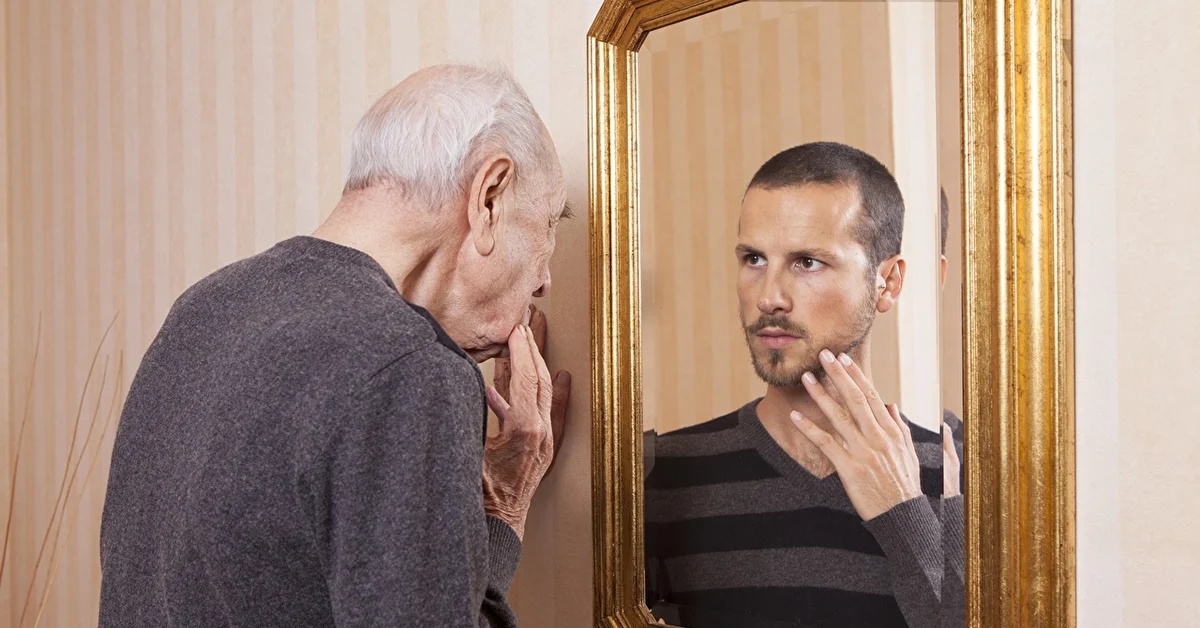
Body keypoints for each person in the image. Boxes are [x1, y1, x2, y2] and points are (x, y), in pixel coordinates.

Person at [98, 63, 573, 628]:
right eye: (549, 224)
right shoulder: (409, 367)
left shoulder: (202, 308)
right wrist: (504, 512)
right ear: (489, 197)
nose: (546, 280)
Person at [644, 142, 964, 628]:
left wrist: (904, 516)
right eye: (753, 258)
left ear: (889, 282)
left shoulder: (962, 475)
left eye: (807, 262)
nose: (769, 296)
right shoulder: (661, 474)